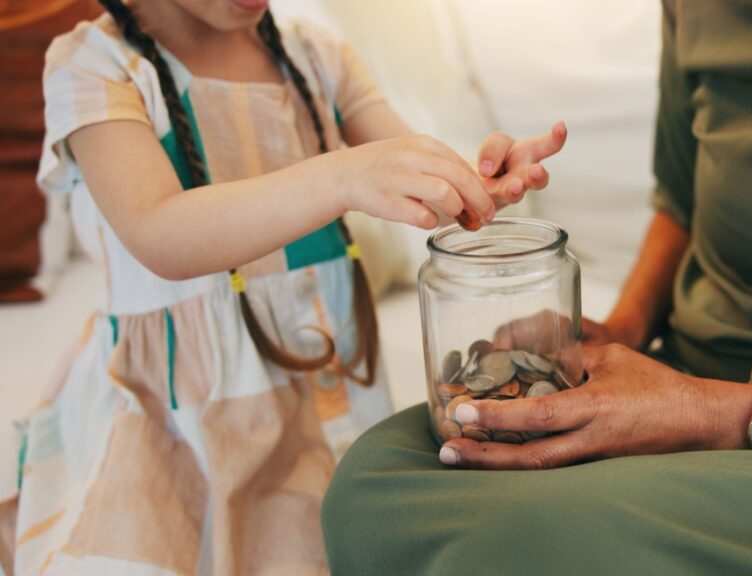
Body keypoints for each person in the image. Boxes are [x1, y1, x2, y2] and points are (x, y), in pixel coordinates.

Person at [321, 1, 752, 574]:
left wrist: (701, 412)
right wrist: (623, 329)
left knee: (520, 541)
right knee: (376, 489)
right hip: (690, 373)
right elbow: (681, 201)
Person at [3, 0, 566, 573]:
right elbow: (157, 231)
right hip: (174, 427)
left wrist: (477, 184)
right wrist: (344, 175)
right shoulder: (96, 66)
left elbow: (412, 172)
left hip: (321, 408)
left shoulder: (316, 55)